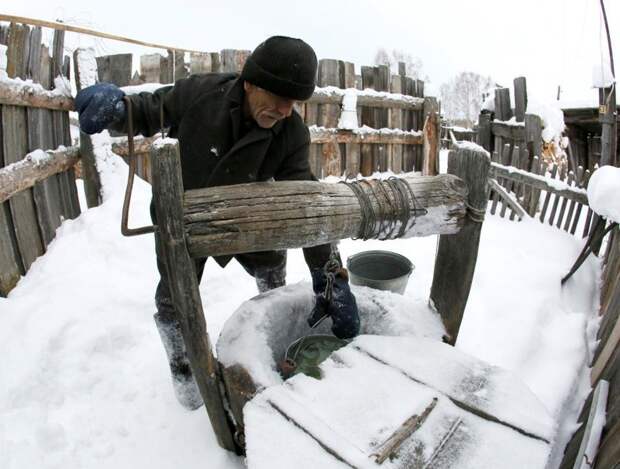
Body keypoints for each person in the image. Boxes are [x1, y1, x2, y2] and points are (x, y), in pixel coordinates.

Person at [75, 36, 360, 410]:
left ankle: (268, 341)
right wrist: (117, 109)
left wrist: (328, 272)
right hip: (182, 221)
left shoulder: (291, 133)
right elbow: (148, 110)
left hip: (246, 219)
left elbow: (305, 203)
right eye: (279, 98)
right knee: (174, 301)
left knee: (272, 274)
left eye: (294, 102)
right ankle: (186, 373)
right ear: (251, 83)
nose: (287, 110)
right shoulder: (201, 94)